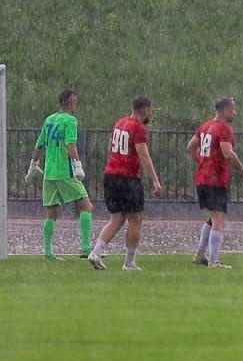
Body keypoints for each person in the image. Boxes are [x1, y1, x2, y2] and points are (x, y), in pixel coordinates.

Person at [88, 97, 164, 271]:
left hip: (111, 175)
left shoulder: (120, 123)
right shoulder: (138, 128)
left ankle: (96, 252)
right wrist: (155, 181)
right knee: (135, 219)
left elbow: (110, 148)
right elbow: (144, 156)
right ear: (146, 111)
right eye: (150, 111)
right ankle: (129, 263)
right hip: (128, 178)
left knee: (116, 219)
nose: (151, 114)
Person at [25, 88, 93, 261]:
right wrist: (77, 164)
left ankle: (48, 252)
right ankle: (85, 247)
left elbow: (39, 145)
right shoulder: (70, 120)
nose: (76, 105)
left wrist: (33, 164)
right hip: (64, 171)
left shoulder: (49, 120)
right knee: (86, 205)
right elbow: (70, 144)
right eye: (75, 102)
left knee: (52, 212)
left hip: (49, 173)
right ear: (70, 102)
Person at [186, 96, 243, 269]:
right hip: (214, 180)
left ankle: (200, 254)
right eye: (232, 109)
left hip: (203, 179)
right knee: (218, 220)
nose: (235, 112)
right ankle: (213, 261)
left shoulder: (205, 126)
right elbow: (228, 153)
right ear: (224, 110)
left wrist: (203, 162)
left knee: (214, 218)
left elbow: (190, 147)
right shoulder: (224, 128)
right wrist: (242, 170)